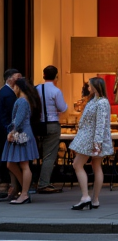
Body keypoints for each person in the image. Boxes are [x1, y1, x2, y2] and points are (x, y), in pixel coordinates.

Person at [69, 77, 112, 210]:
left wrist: (97, 142)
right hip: (90, 137)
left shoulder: (101, 102)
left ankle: (86, 197)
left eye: (89, 85)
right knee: (95, 165)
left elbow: (100, 123)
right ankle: (94, 199)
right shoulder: (95, 100)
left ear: (95, 86)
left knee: (78, 164)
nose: (88, 87)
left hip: (90, 138)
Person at [3, 78, 41, 204]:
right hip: (24, 133)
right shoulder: (27, 99)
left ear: (18, 87)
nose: (13, 89)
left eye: (14, 87)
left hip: (21, 134)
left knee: (23, 165)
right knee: (13, 164)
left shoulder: (21, 100)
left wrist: (12, 132)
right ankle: (25, 189)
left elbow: (18, 120)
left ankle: (24, 193)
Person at [32, 65, 68, 194]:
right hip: (51, 123)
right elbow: (63, 108)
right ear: (56, 76)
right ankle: (43, 183)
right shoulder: (56, 91)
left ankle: (31, 181)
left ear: (43, 75)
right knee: (49, 155)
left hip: (36, 125)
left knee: (34, 155)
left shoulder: (35, 88)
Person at [0, 69, 19, 200]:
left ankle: (12, 186)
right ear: (9, 79)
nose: (20, 80)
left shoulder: (6, 92)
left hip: (7, 129)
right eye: (18, 77)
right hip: (7, 130)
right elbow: (7, 115)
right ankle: (13, 186)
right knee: (10, 158)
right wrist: (10, 130)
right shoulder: (8, 94)